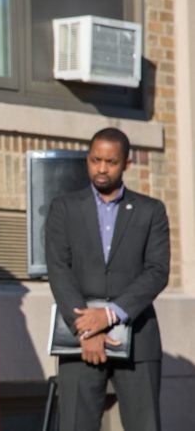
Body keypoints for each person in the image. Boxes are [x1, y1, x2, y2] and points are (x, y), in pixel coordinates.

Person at [45, 127, 170, 431]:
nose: (101, 168)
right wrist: (88, 330)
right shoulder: (64, 208)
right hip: (79, 339)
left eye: (111, 162)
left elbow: (157, 271)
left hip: (137, 337)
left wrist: (110, 315)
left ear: (126, 164)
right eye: (95, 159)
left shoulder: (151, 211)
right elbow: (59, 270)